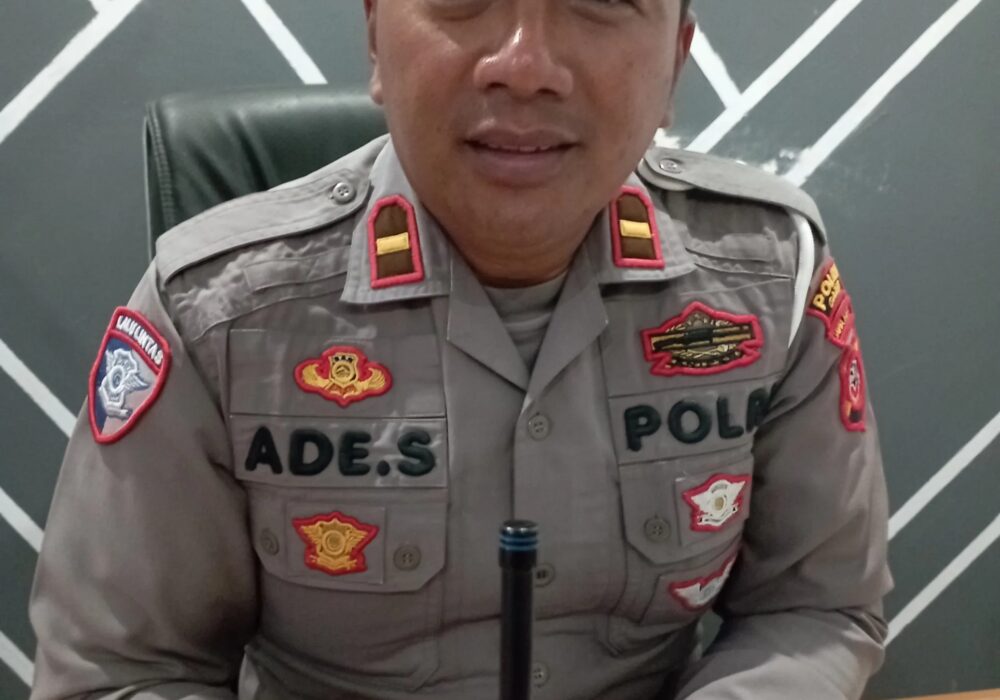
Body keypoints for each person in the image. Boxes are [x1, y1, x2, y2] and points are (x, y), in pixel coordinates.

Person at [29, 0, 892, 698]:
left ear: (675, 60)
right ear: (376, 35)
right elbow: (120, 673)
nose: (525, 63)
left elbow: (817, 606)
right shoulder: (215, 311)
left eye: (599, 2)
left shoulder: (772, 277)